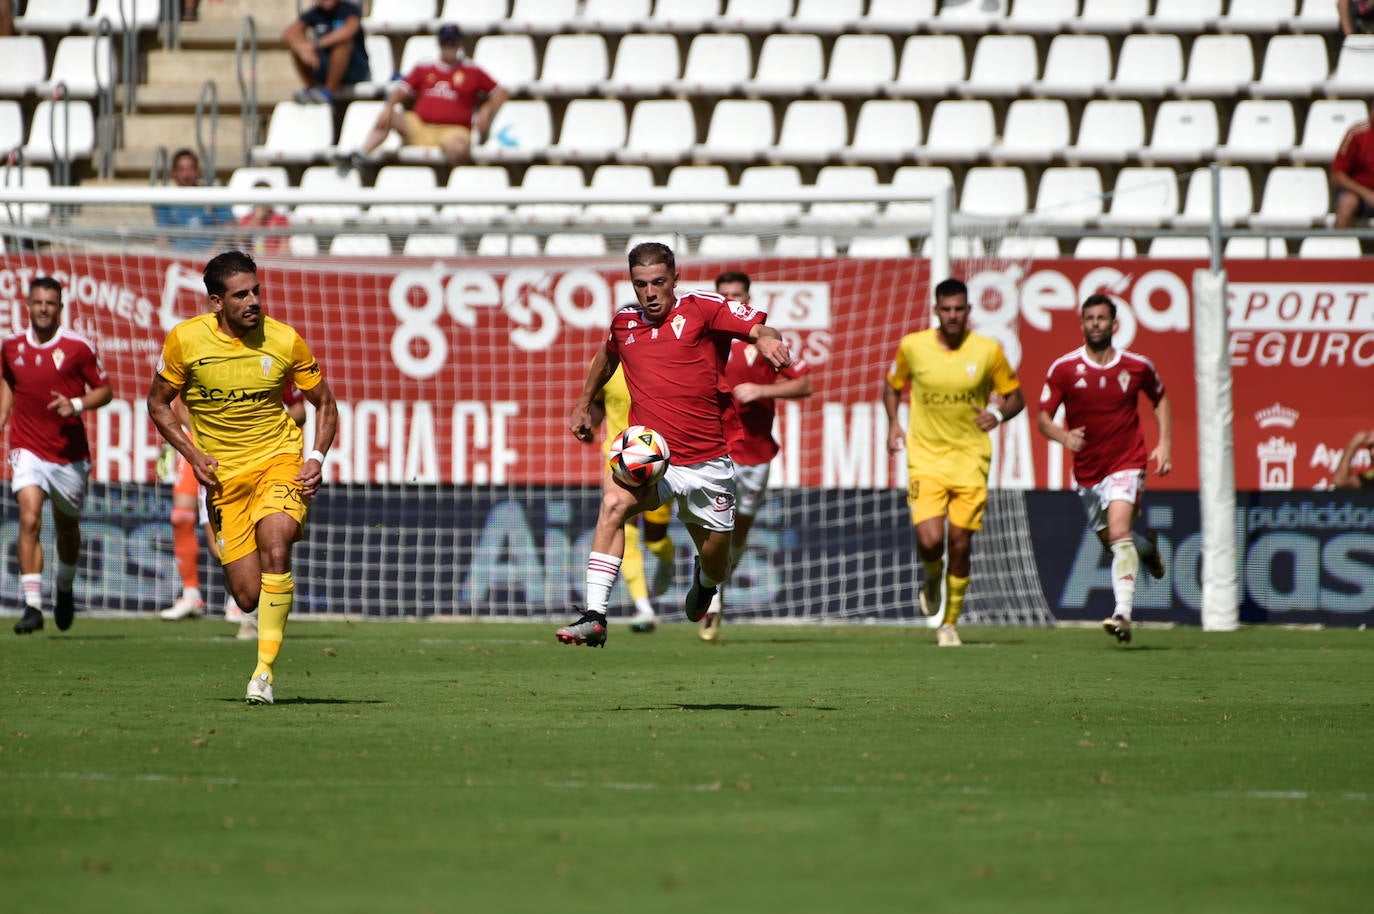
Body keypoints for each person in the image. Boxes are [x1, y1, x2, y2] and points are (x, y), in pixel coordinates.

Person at [559, 242, 792, 648]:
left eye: (658, 283)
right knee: (613, 505)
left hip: (708, 463)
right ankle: (595, 616)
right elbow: (606, 356)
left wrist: (767, 341)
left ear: (675, 279)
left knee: (718, 561)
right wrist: (582, 404)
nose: (650, 293)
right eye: (640, 284)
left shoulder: (703, 308)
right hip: (653, 458)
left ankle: (705, 582)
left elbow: (758, 328)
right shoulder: (624, 323)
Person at [148, 251, 338, 705]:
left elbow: (325, 404)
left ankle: (263, 674)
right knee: (248, 594)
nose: (254, 300)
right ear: (216, 301)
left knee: (278, 540)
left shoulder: (285, 340)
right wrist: (192, 454)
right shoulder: (185, 341)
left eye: (257, 290)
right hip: (223, 479)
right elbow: (157, 403)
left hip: (278, 460)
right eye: (241, 294)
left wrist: (314, 456)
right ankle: (251, 613)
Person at [883, 278, 1025, 648]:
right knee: (930, 541)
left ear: (968, 311)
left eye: (959, 309)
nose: (952, 315)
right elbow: (892, 386)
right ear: (936, 311)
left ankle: (949, 622)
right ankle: (932, 576)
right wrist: (894, 423)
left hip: (970, 459)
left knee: (960, 544)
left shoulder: (987, 350)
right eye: (946, 309)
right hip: (926, 458)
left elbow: (1016, 398)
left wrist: (997, 413)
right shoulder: (913, 347)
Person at [1037, 294, 1171, 645]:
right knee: (1114, 541)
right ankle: (1147, 548)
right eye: (1089, 318)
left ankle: (1123, 613)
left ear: (1114, 325)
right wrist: (1064, 437)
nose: (1095, 323)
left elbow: (1160, 399)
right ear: (1082, 324)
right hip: (1088, 474)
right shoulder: (1064, 369)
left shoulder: (1137, 366)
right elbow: (1043, 420)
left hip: (1127, 460)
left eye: (1101, 318)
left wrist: (1165, 443)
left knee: (1117, 534)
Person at [698, 271, 814, 642]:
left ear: (749, 300)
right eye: (725, 296)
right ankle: (711, 599)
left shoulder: (764, 340)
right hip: (714, 448)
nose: (733, 302)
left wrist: (760, 389)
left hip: (756, 452)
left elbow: (804, 384)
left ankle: (718, 583)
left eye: (739, 297)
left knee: (738, 531)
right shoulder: (704, 339)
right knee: (712, 523)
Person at [1, 278, 113, 635]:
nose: (44, 308)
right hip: (26, 447)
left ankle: (63, 588)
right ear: (28, 306)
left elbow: (105, 391)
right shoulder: (10, 346)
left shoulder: (79, 347)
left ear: (60, 307)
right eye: (38, 302)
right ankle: (32, 605)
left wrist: (76, 404)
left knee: (67, 527)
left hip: (68, 455)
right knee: (30, 517)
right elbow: (7, 381)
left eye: (51, 303)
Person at [160, 387, 308, 641]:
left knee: (269, 537)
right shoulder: (206, 360)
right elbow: (178, 405)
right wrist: (204, 434)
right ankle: (213, 595)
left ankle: (254, 615)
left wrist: (264, 429)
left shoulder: (270, 362)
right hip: (213, 458)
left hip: (264, 460)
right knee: (219, 549)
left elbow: (299, 410)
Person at [334, 24, 508, 173]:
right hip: (420, 126)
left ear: (459, 44)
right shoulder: (424, 68)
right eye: (445, 43)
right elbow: (402, 90)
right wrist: (389, 106)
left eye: (452, 43)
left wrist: (486, 109)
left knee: (458, 148)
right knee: (390, 115)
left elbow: (501, 92)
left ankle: (455, 183)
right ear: (439, 44)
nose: (449, 47)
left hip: (453, 130)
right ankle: (362, 154)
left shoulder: (472, 70)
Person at [587, 364, 679, 633]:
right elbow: (597, 403)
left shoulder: (663, 355)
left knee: (655, 539)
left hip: (658, 462)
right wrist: (588, 422)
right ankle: (643, 607)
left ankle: (666, 557)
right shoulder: (602, 361)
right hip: (620, 461)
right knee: (622, 527)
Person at [283, 0, 370, 105]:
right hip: (326, 66)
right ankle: (310, 88)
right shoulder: (315, 13)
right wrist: (303, 48)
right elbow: (289, 32)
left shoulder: (349, 9)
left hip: (355, 69)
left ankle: (329, 92)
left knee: (342, 45)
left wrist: (316, 44)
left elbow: (350, 29)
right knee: (297, 48)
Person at [153, 149, 235, 253]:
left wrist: (213, 252)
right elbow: (162, 236)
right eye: (181, 169)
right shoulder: (166, 202)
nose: (186, 175)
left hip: (212, 257)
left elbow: (230, 227)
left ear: (198, 172)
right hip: (179, 257)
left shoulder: (213, 196)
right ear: (173, 173)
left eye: (190, 169)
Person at [1332, 99, 1374, 229]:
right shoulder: (1356, 134)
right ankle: (1338, 247)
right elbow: (1337, 175)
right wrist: (1367, 194)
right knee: (1348, 202)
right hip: (1359, 194)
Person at [237, 182, 292, 256]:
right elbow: (240, 239)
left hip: (273, 261)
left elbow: (284, 245)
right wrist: (257, 218)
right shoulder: (247, 219)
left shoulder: (281, 218)